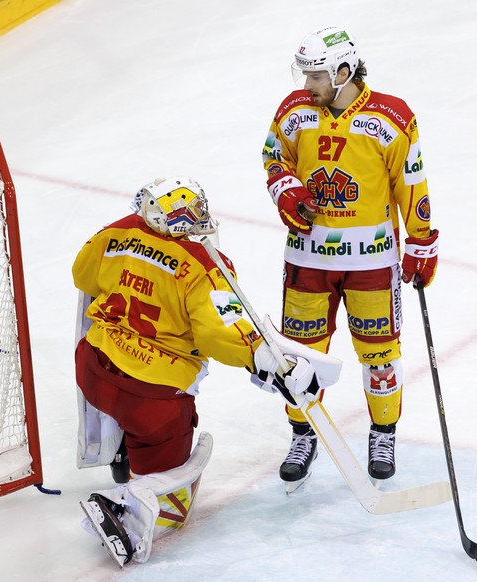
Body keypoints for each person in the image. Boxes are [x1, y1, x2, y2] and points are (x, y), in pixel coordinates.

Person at [72, 176, 325, 567]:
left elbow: (82, 275)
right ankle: (129, 507)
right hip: (151, 397)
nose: (202, 220)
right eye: (195, 213)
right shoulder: (204, 265)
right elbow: (220, 334)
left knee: (118, 401)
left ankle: (122, 451)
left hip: (92, 367)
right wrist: (274, 366)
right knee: (176, 509)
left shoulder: (117, 231)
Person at [261, 26, 439, 489]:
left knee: (380, 356)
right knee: (297, 358)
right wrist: (286, 188)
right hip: (306, 259)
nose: (307, 86)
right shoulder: (295, 110)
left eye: (316, 75)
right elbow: (272, 156)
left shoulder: (392, 118)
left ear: (343, 72)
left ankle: (383, 434)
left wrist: (421, 242)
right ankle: (304, 434)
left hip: (372, 263)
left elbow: (411, 185)